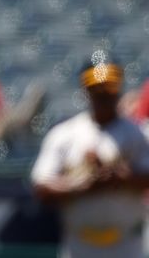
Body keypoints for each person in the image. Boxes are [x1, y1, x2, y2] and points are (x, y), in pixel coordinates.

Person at [31, 52, 149, 258]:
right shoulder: (65, 134)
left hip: (128, 244)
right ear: (86, 90)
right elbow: (42, 187)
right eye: (97, 90)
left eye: (108, 89)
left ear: (118, 90)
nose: (103, 95)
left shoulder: (138, 133)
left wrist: (118, 176)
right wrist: (82, 184)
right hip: (79, 244)